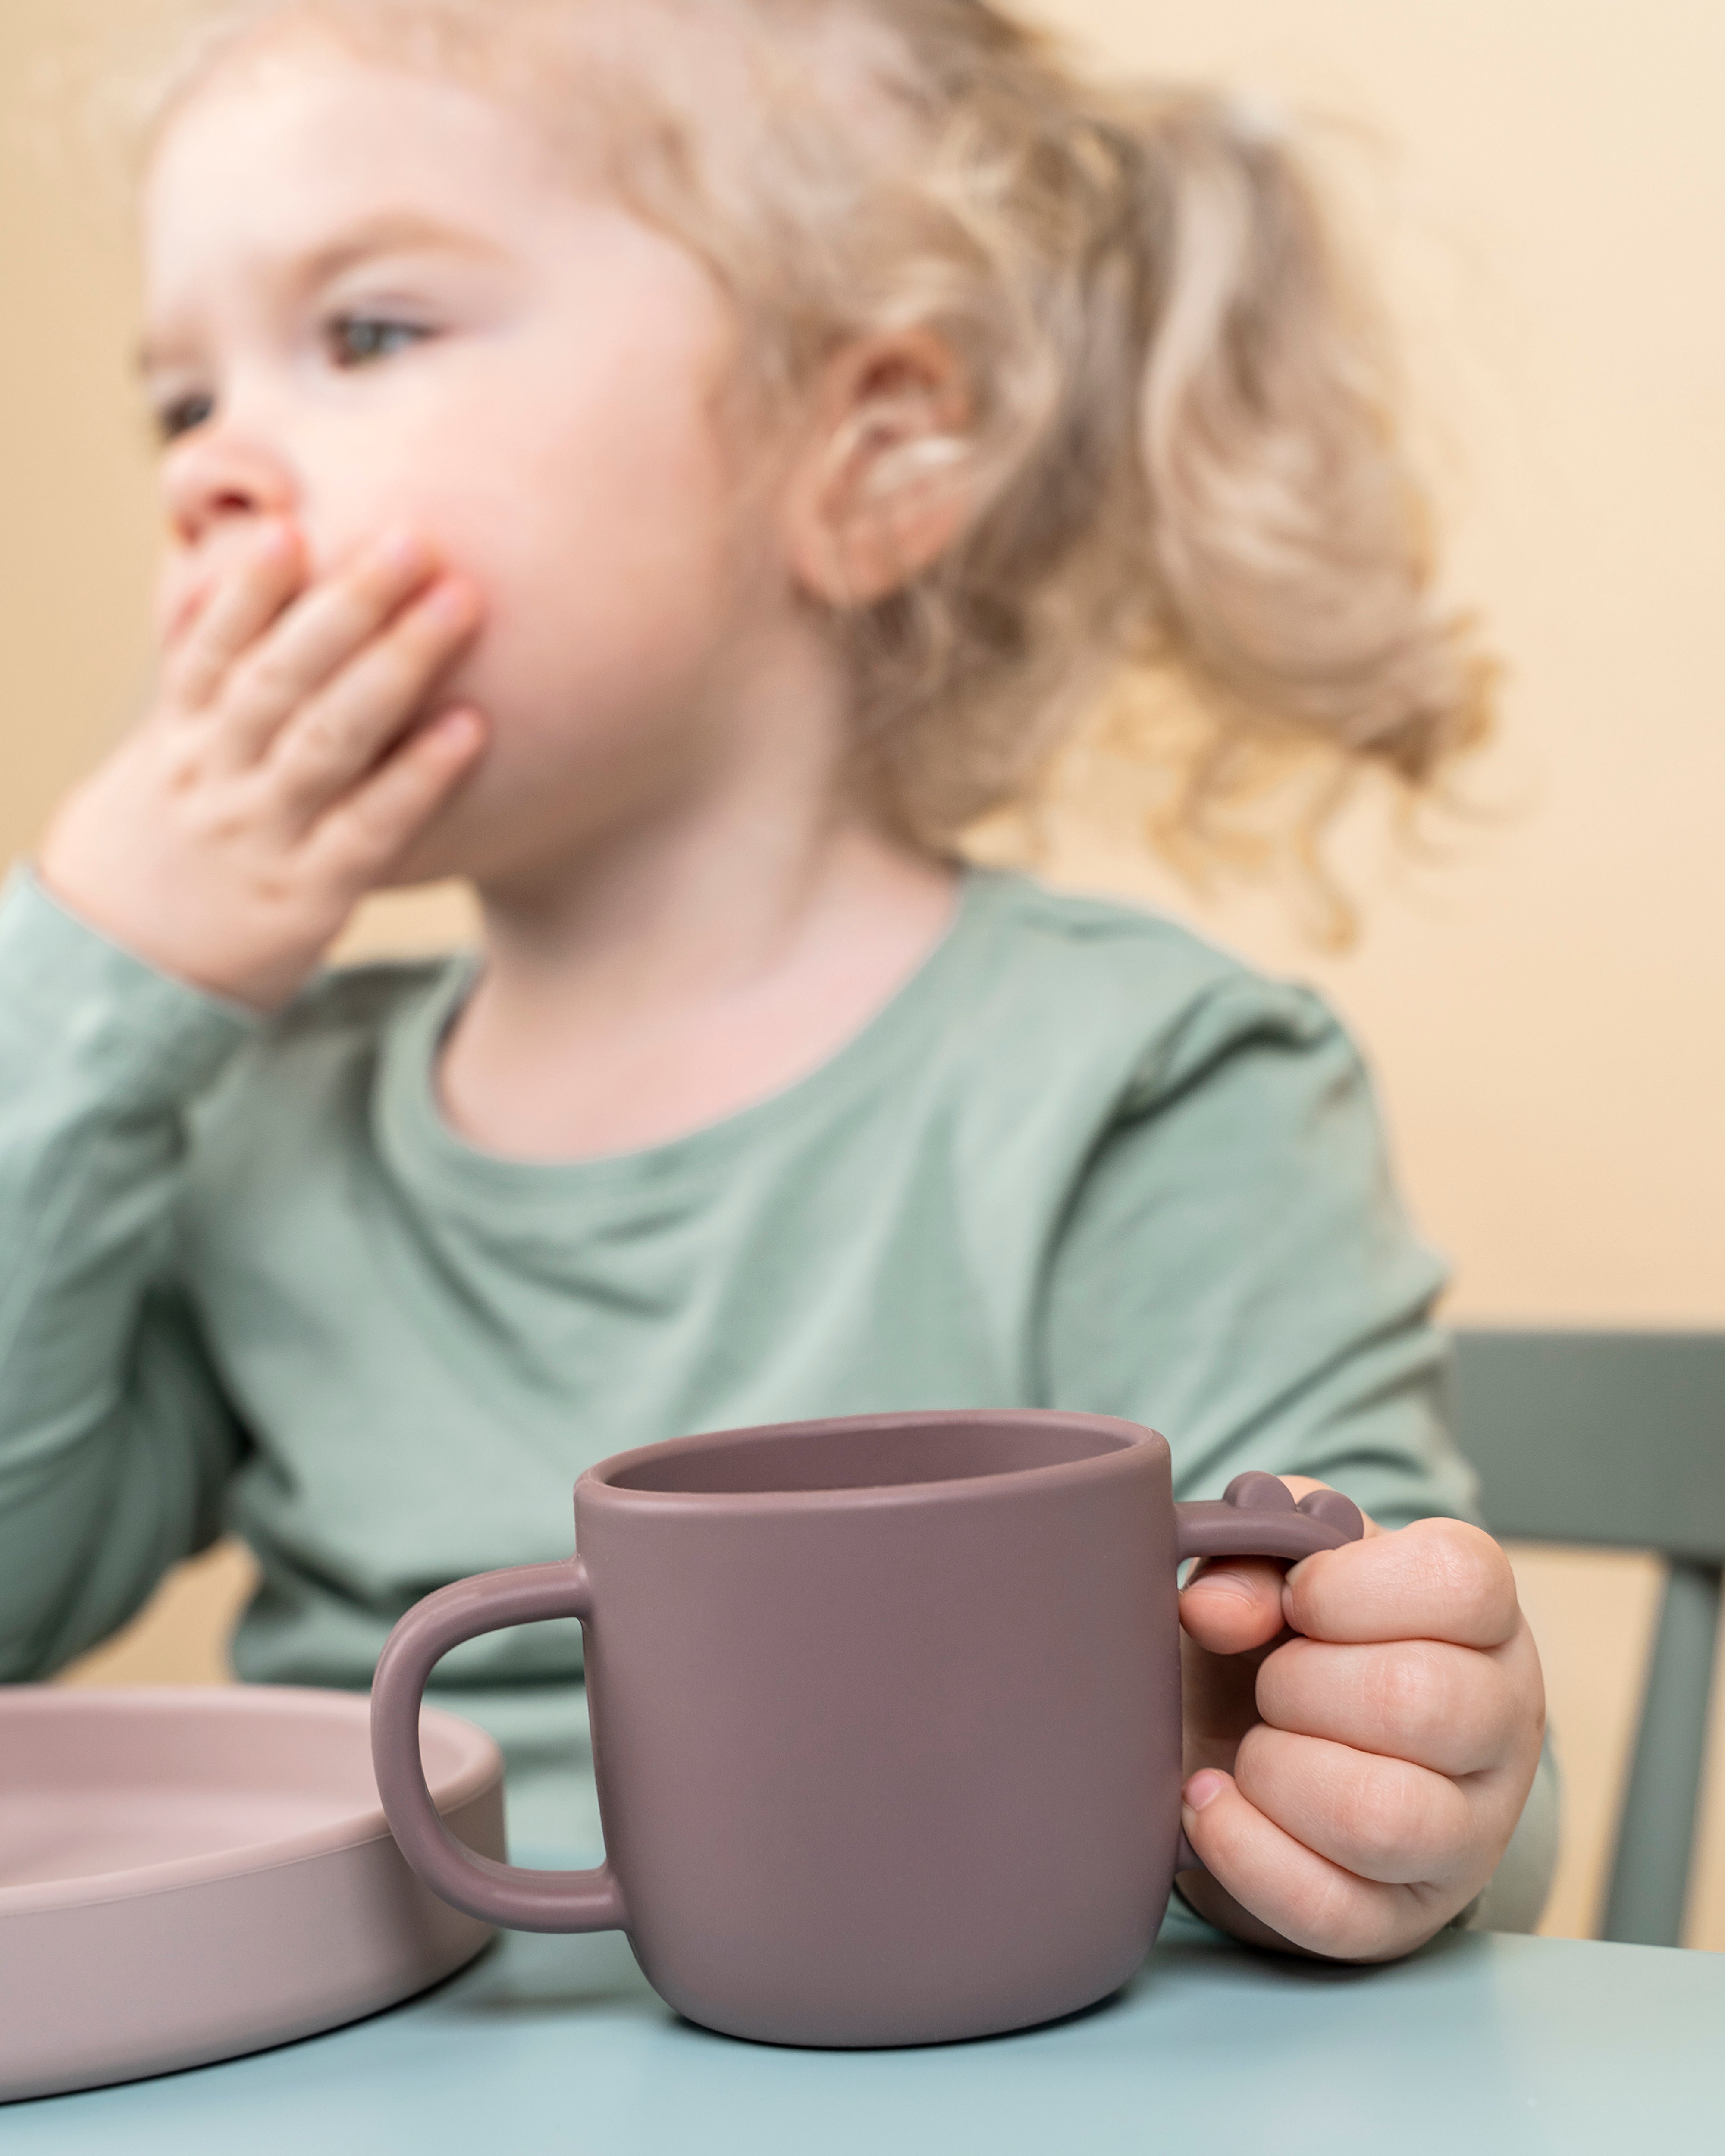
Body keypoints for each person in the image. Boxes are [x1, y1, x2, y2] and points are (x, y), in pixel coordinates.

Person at [0, 0, 1552, 1961]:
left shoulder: (1138, 1083)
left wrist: (1358, 1756)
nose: (207, 478)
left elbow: (1407, 1785)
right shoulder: (245, 1124)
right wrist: (90, 975)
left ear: (870, 450)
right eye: (178, 399)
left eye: (367, 331)